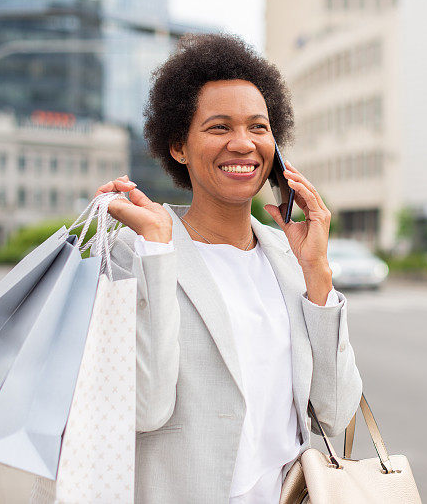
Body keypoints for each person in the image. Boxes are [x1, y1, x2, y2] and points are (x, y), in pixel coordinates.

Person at [92, 34, 362, 503]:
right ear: (178, 145)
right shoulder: (138, 252)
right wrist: (157, 254)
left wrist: (317, 273)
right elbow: (146, 409)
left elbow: (335, 412)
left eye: (259, 128)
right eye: (219, 127)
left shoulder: (287, 259)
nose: (243, 144)